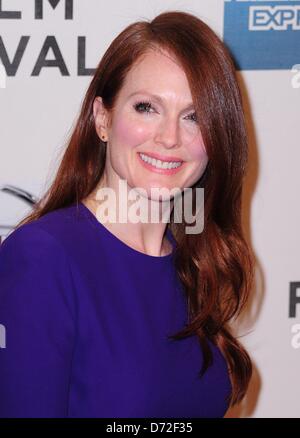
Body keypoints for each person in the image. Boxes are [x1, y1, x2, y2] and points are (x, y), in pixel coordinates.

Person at [0, 10, 254, 418]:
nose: (170, 137)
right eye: (146, 108)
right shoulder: (43, 260)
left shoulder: (194, 262)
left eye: (194, 117)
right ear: (103, 118)